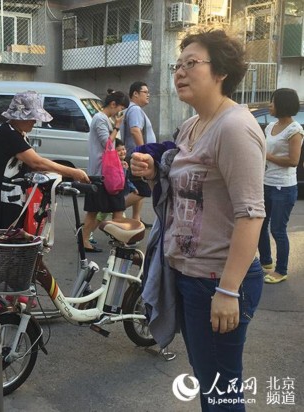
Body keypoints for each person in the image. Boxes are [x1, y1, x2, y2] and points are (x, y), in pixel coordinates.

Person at [131, 30, 265, 410]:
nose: (180, 73)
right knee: (209, 381)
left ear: (220, 71)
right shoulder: (192, 126)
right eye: (178, 65)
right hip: (191, 276)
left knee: (221, 392)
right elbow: (191, 192)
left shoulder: (234, 127)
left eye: (192, 63)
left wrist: (227, 291)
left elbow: (251, 214)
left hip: (216, 282)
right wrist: (153, 171)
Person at [0, 90, 89, 230]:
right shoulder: (8, 134)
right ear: (19, 117)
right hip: (0, 200)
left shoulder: (19, 133)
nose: (34, 121)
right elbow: (36, 162)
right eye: (32, 117)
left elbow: (32, 165)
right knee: (3, 243)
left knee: (16, 240)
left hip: (12, 197)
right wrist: (73, 172)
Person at [258, 88, 303, 284]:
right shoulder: (270, 127)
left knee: (278, 229)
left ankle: (281, 269)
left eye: (272, 102)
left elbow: (294, 160)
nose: (269, 105)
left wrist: (266, 156)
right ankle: (266, 262)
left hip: (284, 188)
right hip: (266, 183)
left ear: (282, 104)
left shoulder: (295, 130)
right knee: (259, 225)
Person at [82, 91, 131, 253]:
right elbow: (108, 144)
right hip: (100, 173)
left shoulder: (104, 119)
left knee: (118, 207)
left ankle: (119, 241)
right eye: (120, 108)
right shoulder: (100, 119)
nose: (120, 112)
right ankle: (84, 241)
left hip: (108, 172)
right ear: (113, 104)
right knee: (94, 210)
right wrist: (117, 126)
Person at [121, 81, 157, 226]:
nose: (148, 95)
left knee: (138, 187)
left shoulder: (132, 109)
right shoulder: (135, 109)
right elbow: (135, 130)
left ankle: (136, 219)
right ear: (135, 94)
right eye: (145, 92)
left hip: (132, 154)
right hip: (136, 155)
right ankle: (115, 209)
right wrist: (143, 151)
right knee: (143, 190)